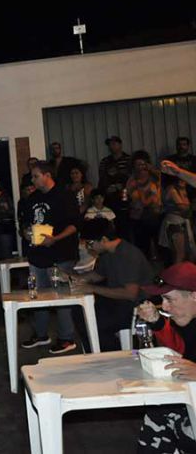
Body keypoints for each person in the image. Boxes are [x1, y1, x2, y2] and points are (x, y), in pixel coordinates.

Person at [136, 262, 196, 453]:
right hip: (187, 400)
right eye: (162, 299)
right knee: (158, 413)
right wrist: (157, 322)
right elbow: (178, 350)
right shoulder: (189, 320)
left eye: (169, 299)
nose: (164, 306)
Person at [21, 161, 80, 354]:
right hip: (38, 254)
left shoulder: (64, 195)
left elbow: (74, 224)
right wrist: (26, 233)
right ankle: (41, 334)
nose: (32, 180)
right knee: (38, 295)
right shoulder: (33, 198)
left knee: (61, 296)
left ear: (47, 175)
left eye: (36, 176)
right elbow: (25, 223)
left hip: (61, 253)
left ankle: (66, 337)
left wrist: (55, 238)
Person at [70, 218, 153, 351]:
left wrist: (92, 288)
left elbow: (130, 294)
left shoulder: (127, 255)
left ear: (104, 239)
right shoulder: (107, 253)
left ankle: (110, 354)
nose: (88, 247)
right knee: (80, 312)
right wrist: (72, 278)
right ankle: (97, 351)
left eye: (90, 243)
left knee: (95, 322)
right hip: (117, 301)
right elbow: (97, 275)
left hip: (135, 305)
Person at [126, 150, 162, 258]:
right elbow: (137, 199)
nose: (141, 167)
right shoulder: (132, 181)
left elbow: (164, 179)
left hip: (156, 216)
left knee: (160, 246)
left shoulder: (154, 177)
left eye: (143, 164)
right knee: (142, 248)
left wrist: (153, 170)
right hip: (139, 218)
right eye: (138, 164)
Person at [98, 135, 132, 237]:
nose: (111, 146)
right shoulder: (104, 161)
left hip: (125, 196)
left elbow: (133, 177)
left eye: (113, 143)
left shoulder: (128, 160)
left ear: (120, 145)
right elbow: (101, 179)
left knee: (125, 224)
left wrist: (121, 186)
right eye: (109, 144)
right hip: (109, 197)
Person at [159, 177, 196, 264]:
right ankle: (176, 272)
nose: (183, 181)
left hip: (181, 222)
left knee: (185, 253)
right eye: (181, 179)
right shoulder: (172, 190)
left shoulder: (182, 189)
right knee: (179, 254)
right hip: (174, 223)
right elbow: (183, 208)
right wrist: (190, 207)